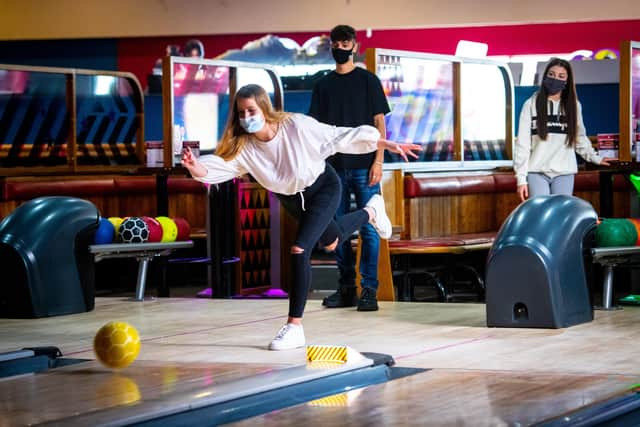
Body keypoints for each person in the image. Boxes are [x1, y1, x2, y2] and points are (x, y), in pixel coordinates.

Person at [181, 84, 420, 350]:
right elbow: (221, 167)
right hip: (292, 199)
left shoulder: (295, 126)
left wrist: (382, 143)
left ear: (264, 109)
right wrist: (196, 166)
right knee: (330, 241)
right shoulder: (244, 147)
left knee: (299, 249)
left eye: (251, 110)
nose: (247, 117)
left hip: (323, 187)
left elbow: (337, 136)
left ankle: (294, 326)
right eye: (241, 112)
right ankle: (371, 211)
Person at [308, 24, 390, 312]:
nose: (340, 48)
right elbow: (315, 129)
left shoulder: (369, 81)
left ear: (355, 46)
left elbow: (380, 124)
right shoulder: (322, 85)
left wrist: (379, 160)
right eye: (335, 43)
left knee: (369, 226)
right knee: (336, 229)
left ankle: (369, 290)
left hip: (366, 166)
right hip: (333, 169)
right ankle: (346, 289)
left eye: (345, 43)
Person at [514, 57, 613, 202]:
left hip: (565, 173)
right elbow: (522, 145)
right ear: (545, 76)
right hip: (536, 171)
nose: (555, 79)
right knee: (541, 215)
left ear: (567, 82)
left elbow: (580, 139)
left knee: (561, 216)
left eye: (561, 76)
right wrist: (521, 179)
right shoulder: (530, 104)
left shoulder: (573, 106)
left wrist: (596, 158)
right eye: (551, 74)